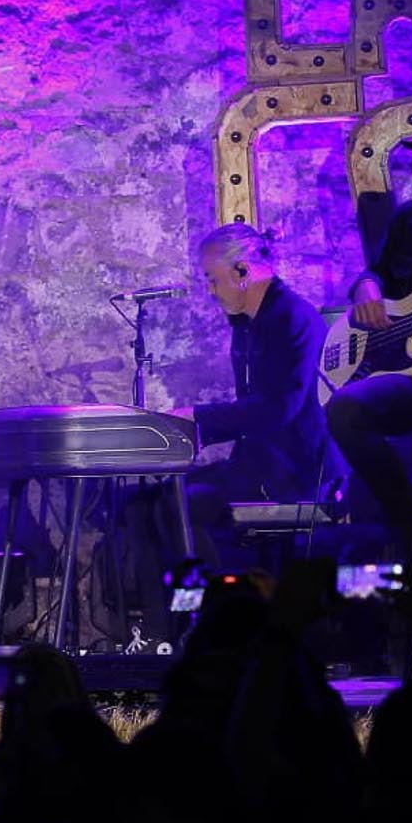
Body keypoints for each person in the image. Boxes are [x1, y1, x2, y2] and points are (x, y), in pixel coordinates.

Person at [124, 223, 333, 644]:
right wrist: (193, 433)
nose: (211, 291)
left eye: (212, 279)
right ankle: (168, 630)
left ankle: (218, 626)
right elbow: (252, 412)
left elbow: (280, 409)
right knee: (137, 504)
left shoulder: (292, 318)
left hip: (293, 472)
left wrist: (198, 417)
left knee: (178, 507)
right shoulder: (249, 324)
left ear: (242, 272)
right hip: (258, 464)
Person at [327, 126, 412, 556]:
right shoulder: (410, 221)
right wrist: (366, 291)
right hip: (411, 375)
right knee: (346, 408)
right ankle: (408, 521)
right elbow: (375, 273)